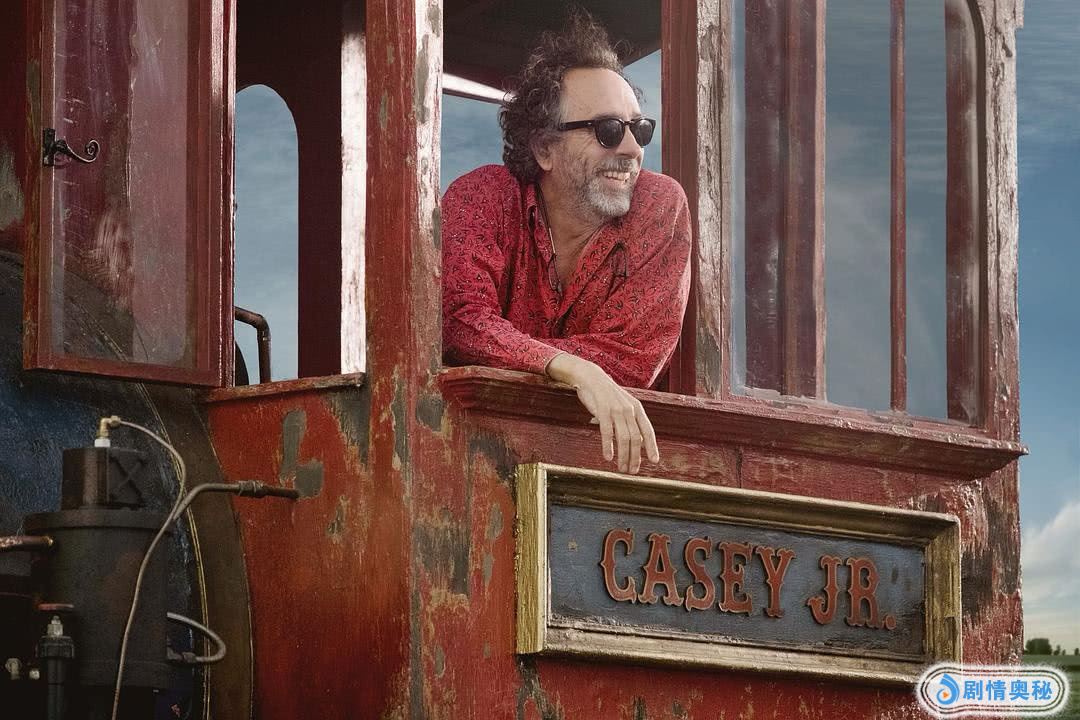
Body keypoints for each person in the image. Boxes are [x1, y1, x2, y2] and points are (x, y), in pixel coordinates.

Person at [442, 11, 692, 474]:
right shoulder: (482, 197)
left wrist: (517, 352)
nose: (632, 149)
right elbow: (459, 322)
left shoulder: (659, 206)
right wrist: (574, 368)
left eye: (639, 129)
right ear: (544, 149)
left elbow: (632, 360)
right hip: (468, 460)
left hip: (606, 469)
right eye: (608, 131)